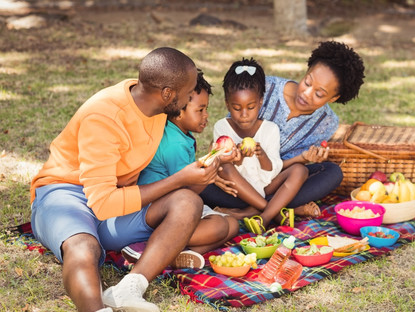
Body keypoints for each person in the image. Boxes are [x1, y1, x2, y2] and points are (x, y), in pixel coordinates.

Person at [30, 47, 221, 312]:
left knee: (188, 202)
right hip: (66, 194)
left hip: (116, 200)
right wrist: (178, 179)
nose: (191, 97)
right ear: (167, 94)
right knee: (84, 246)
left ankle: (129, 288)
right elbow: (103, 203)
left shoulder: (156, 107)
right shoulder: (104, 116)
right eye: (188, 93)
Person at [201, 41, 365, 218]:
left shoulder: (326, 123)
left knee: (332, 173)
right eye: (307, 82)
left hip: (272, 180)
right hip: (236, 182)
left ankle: (251, 210)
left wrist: (303, 159)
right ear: (307, 71)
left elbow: (280, 169)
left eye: (319, 94)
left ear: (334, 97)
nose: (306, 94)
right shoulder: (263, 88)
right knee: (202, 185)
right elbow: (223, 137)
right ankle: (277, 210)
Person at [123, 71, 238, 267]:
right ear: (179, 111)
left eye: (206, 109)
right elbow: (189, 191)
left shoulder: (176, 133)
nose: (206, 116)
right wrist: (217, 163)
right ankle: (152, 247)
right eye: (200, 110)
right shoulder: (174, 143)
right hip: (161, 211)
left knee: (233, 225)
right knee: (220, 226)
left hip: (174, 203)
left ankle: (179, 256)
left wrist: (215, 158)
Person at [201, 58, 309, 233]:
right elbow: (219, 164)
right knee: (224, 167)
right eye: (236, 108)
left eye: (250, 107)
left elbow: (273, 170)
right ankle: (273, 213)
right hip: (237, 190)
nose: (244, 115)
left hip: (266, 186)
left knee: (300, 170)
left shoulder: (270, 129)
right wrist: (237, 158)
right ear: (227, 104)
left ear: (260, 102)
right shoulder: (222, 127)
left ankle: (259, 216)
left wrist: (261, 155)